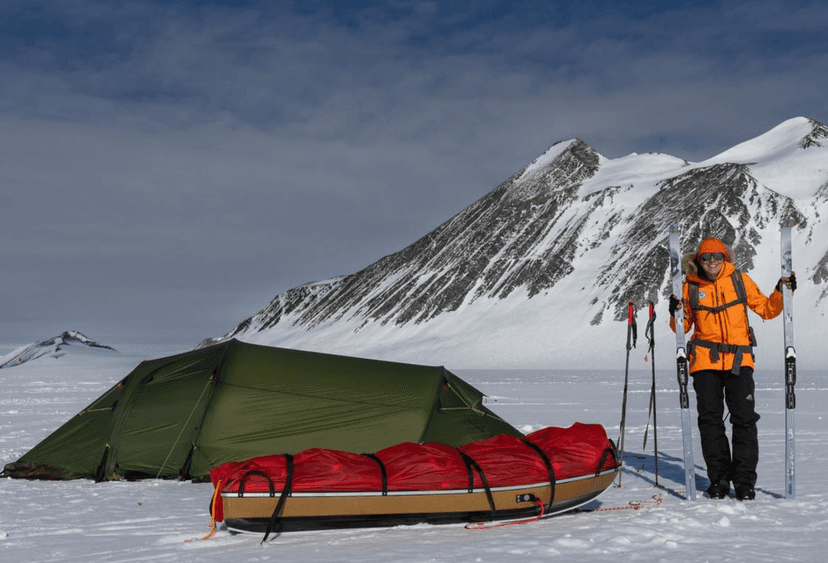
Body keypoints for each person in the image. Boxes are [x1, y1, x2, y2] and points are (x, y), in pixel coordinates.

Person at [669, 237, 795, 501]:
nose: (712, 260)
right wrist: (675, 313)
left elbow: (766, 309)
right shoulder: (689, 286)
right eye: (706, 257)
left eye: (717, 255)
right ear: (698, 260)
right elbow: (681, 327)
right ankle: (719, 480)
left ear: (724, 257)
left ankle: (745, 482)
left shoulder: (740, 280)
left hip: (740, 361)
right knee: (710, 422)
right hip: (704, 362)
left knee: (744, 421)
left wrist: (782, 292)